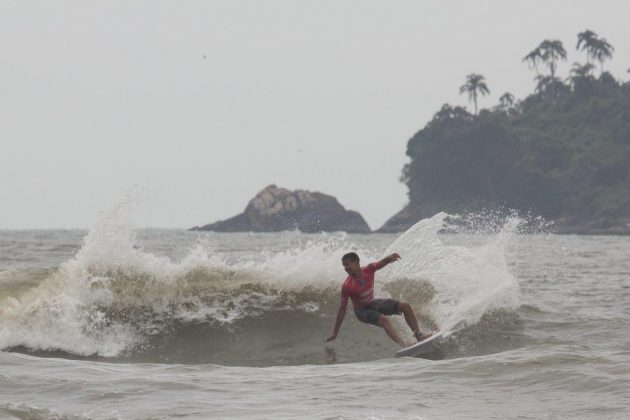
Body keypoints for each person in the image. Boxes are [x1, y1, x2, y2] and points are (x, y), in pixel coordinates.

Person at [325, 252, 433, 347]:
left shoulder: (369, 269)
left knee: (405, 306)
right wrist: (335, 332)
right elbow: (342, 310)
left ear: (356, 262)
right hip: (362, 311)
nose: (346, 268)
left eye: (348, 264)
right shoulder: (347, 286)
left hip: (372, 303)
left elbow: (381, 263)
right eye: (344, 266)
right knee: (384, 320)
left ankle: (419, 336)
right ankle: (404, 345)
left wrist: (389, 258)